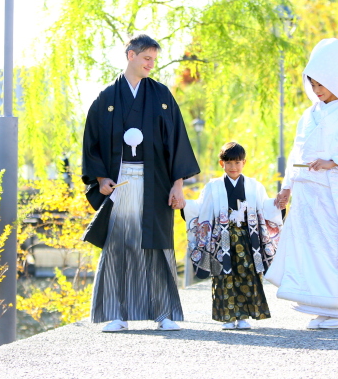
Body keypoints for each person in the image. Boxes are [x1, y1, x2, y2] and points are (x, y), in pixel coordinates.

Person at [82, 34, 200, 333]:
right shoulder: (107, 98)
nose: (151, 64)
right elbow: (91, 143)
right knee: (119, 244)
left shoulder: (161, 96)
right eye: (146, 58)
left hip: (156, 183)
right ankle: (115, 313)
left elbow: (177, 143)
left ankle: (163, 313)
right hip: (120, 182)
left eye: (154, 60)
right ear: (130, 55)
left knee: (157, 245)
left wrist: (177, 185)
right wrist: (100, 178)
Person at [264, 38, 338, 330]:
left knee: (332, 248)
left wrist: (333, 161)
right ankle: (322, 306)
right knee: (310, 248)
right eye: (312, 85)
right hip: (306, 193)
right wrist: (287, 187)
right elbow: (296, 153)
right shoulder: (308, 115)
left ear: (336, 80)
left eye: (321, 84)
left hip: (331, 192)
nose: (317, 90)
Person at [184, 142, 283, 330]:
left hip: (247, 238)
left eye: (237, 163)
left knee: (247, 274)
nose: (233, 167)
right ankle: (228, 316)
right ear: (221, 164)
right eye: (229, 163)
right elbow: (200, 209)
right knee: (223, 274)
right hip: (222, 239)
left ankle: (243, 315)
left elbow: (265, 207)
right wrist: (183, 204)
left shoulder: (254, 186)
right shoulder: (213, 186)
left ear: (244, 163)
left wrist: (278, 203)